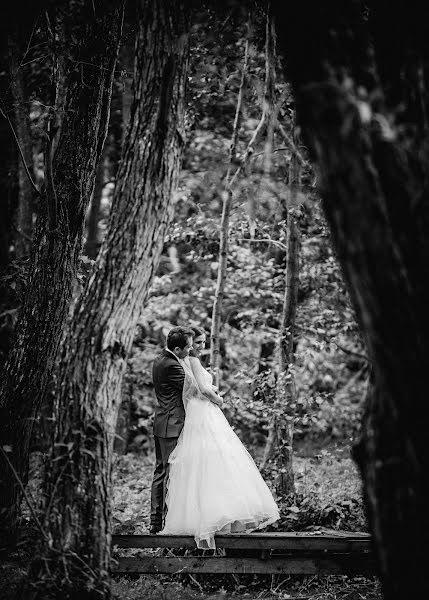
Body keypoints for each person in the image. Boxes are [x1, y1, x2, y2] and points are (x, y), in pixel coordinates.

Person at [161, 326, 280, 548]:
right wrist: (219, 399)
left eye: (204, 342)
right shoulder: (192, 361)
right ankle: (219, 517)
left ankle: (207, 517)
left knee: (208, 460)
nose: (201, 347)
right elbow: (201, 390)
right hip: (203, 411)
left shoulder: (183, 360)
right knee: (217, 459)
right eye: (197, 343)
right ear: (188, 344)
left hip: (197, 411)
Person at [149, 326, 194, 534]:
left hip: (162, 422)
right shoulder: (173, 366)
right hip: (172, 426)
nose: (190, 351)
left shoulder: (160, 360)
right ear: (177, 349)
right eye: (188, 348)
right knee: (170, 474)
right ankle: (164, 523)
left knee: (161, 472)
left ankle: (156, 522)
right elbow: (193, 389)